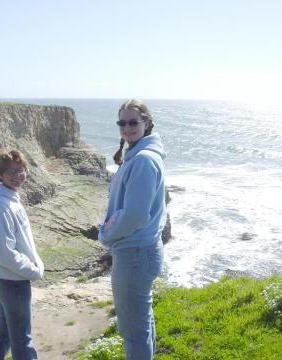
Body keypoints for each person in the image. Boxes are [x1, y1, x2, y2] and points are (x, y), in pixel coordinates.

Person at [99, 99, 166, 359]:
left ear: (147, 124)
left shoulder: (143, 161)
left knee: (133, 330)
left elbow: (136, 214)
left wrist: (106, 235)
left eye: (133, 122)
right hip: (143, 250)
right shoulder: (141, 155)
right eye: (122, 123)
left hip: (135, 253)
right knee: (142, 324)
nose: (127, 128)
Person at [0, 150, 44, 360]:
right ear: (1, 175)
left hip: (4, 277)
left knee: (4, 330)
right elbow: (3, 252)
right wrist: (33, 270)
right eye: (11, 171)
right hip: (12, 280)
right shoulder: (1, 204)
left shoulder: (7, 197)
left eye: (21, 170)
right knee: (21, 339)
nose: (17, 175)